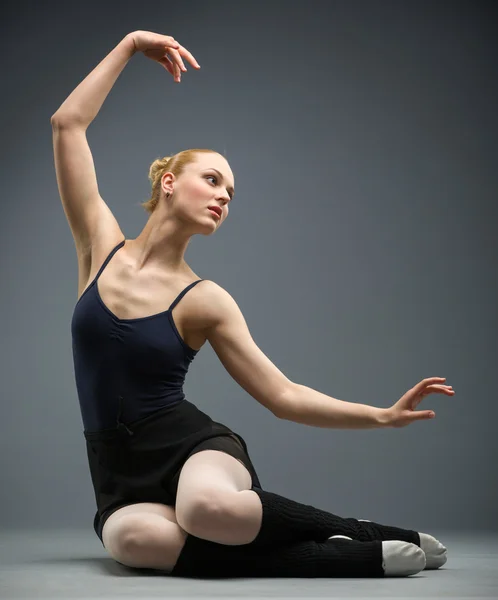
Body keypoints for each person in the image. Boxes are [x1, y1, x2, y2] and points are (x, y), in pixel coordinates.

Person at [51, 30, 453, 579]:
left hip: (195, 452)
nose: (223, 196)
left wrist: (381, 416)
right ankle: (348, 553)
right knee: (133, 541)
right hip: (117, 470)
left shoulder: (206, 299)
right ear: (169, 182)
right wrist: (127, 46)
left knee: (206, 512)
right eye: (212, 180)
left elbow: (283, 395)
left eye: (230, 193)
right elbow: (67, 125)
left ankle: (365, 537)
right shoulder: (99, 244)